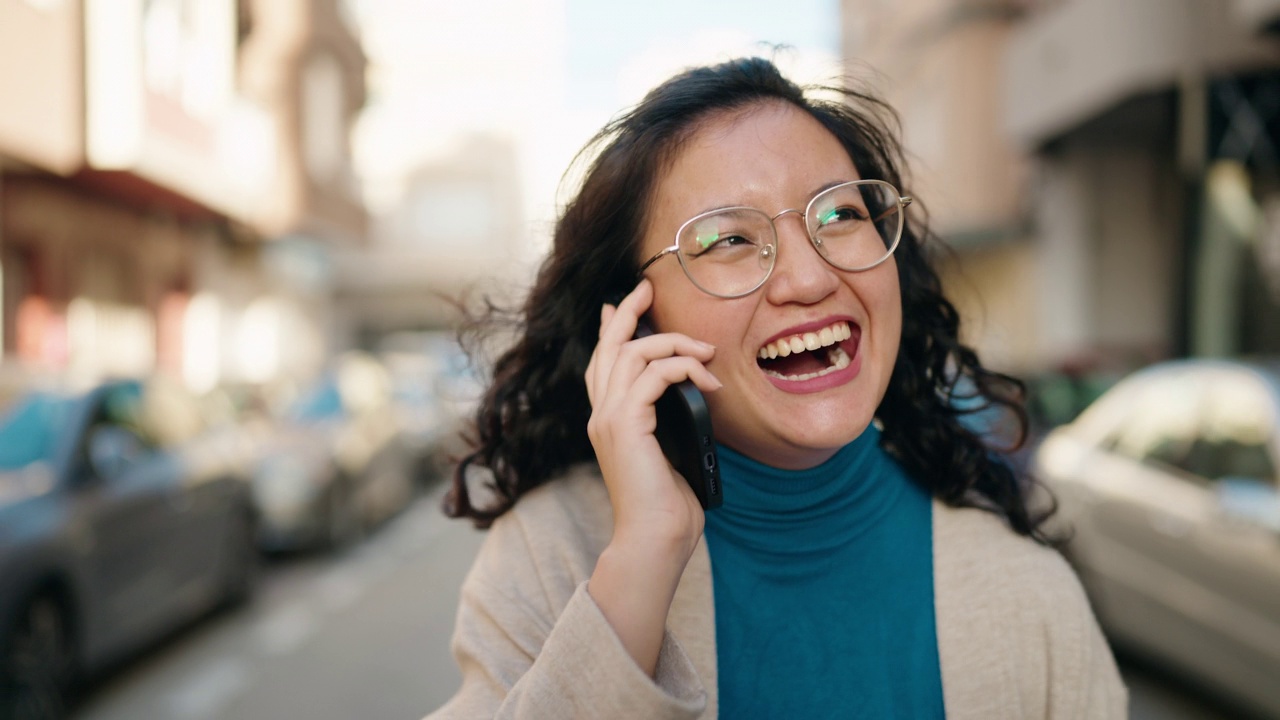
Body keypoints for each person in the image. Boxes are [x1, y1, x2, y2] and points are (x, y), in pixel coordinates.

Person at [427, 57, 1126, 719]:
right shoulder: (550, 553)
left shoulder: (1029, 597)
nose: (809, 279)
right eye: (728, 240)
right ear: (634, 320)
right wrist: (642, 559)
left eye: (839, 216)